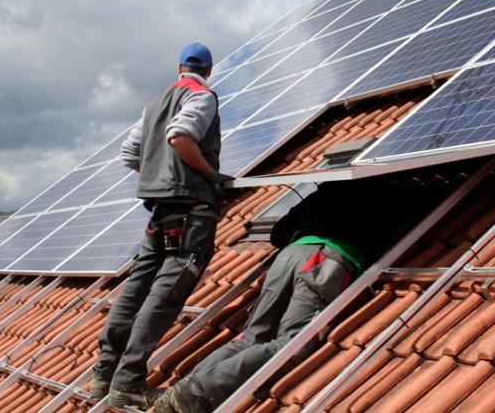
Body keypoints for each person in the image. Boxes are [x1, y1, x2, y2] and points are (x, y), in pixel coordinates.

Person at [153, 179, 418, 413]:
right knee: (292, 345)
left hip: (288, 256)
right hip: (326, 260)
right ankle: (199, 392)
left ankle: (185, 390)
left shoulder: (325, 189)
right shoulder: (390, 193)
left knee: (253, 338)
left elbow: (278, 232)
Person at [90, 43, 232, 410]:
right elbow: (181, 136)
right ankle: (128, 382)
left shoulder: (153, 104)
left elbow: (128, 154)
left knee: (135, 289)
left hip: (158, 211)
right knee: (165, 296)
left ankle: (104, 375)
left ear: (179, 66)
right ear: (209, 70)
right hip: (191, 209)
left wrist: (157, 176)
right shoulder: (202, 96)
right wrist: (209, 175)